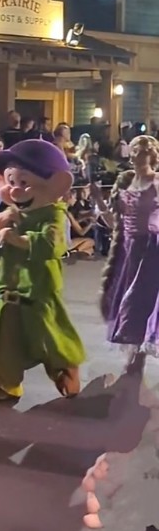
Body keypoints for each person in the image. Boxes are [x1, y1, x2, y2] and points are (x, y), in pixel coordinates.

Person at [0, 140, 86, 402]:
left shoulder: (53, 214)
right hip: (10, 291)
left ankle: (65, 368)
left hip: (40, 291)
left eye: (24, 183)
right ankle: (6, 383)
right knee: (7, 340)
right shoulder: (12, 213)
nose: (16, 191)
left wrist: (18, 240)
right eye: (11, 182)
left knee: (50, 338)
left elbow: (53, 244)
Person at [101, 135, 159, 362]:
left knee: (140, 296)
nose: (137, 155)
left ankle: (143, 342)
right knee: (127, 295)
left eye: (143, 151)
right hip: (128, 248)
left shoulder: (156, 181)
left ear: (151, 155)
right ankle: (133, 346)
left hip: (150, 247)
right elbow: (112, 221)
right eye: (135, 151)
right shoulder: (126, 181)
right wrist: (97, 200)